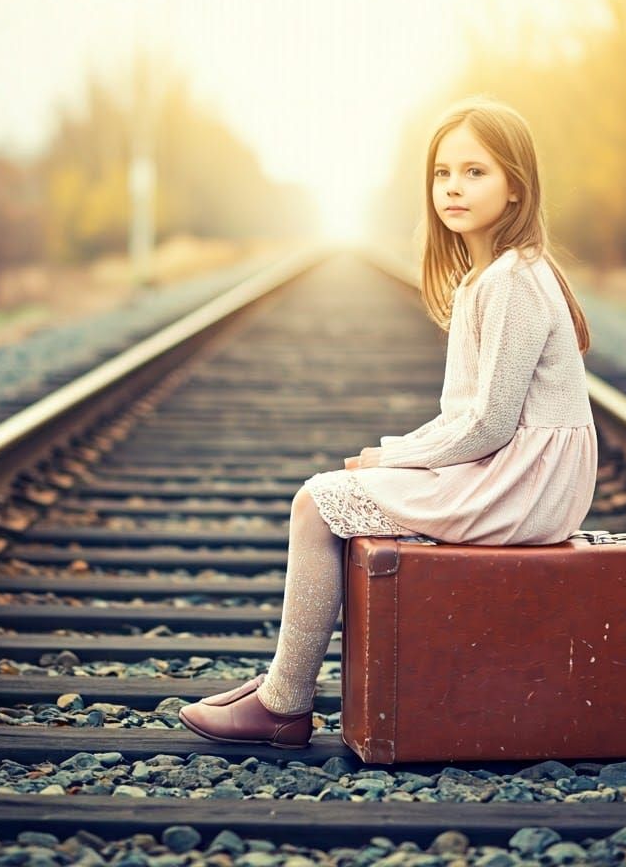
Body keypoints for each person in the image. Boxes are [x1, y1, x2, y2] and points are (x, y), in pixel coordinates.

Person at [178, 95, 599, 749]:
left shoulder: (511, 281)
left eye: (476, 172)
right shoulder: (487, 277)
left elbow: (487, 425)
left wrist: (392, 458)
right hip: (516, 474)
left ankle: (284, 704)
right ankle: (278, 688)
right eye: (442, 173)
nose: (454, 187)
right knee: (331, 496)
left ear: (516, 187)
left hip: (523, 485)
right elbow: (470, 418)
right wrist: (397, 454)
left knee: (316, 504)